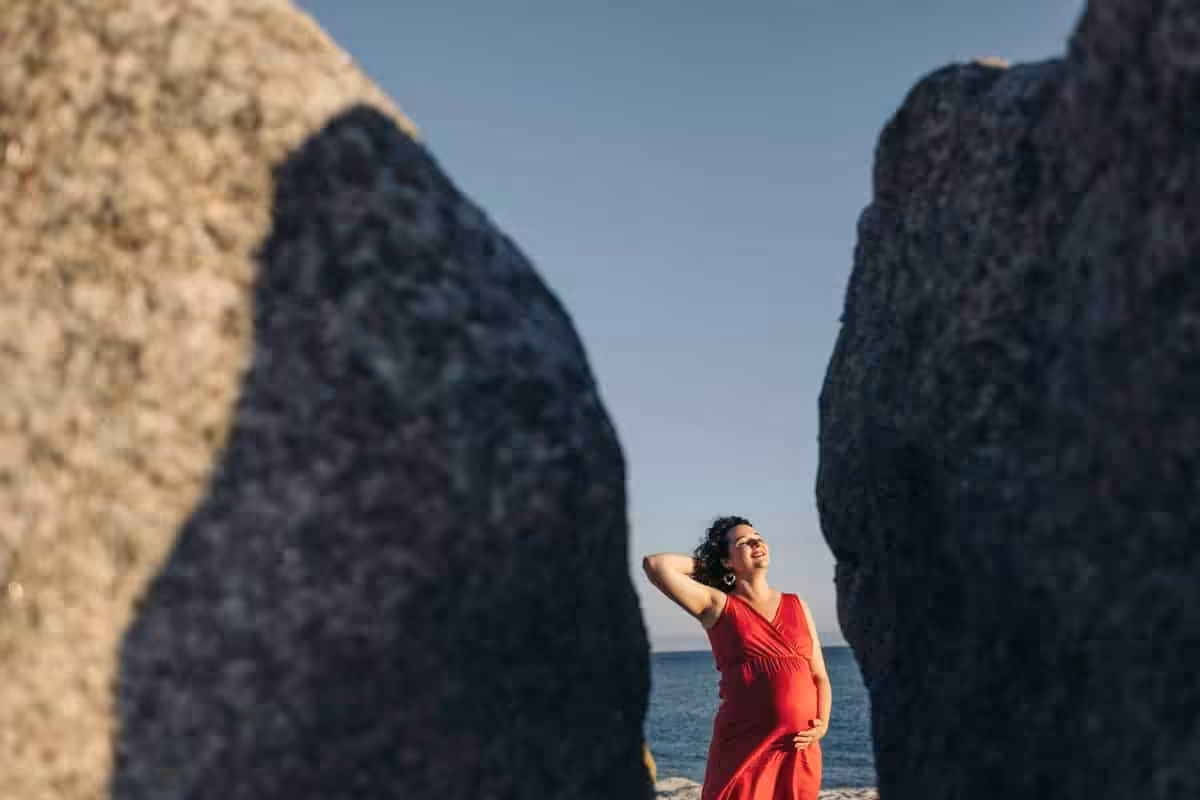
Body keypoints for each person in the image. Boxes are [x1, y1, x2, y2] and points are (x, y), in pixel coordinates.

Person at [642, 516, 831, 800]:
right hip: (746, 749)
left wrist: (823, 724)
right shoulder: (718, 605)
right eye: (744, 542)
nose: (757, 543)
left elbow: (820, 676)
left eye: (758, 537)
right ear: (727, 561)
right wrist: (713, 566)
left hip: (798, 750)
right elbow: (656, 565)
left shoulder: (797, 604)